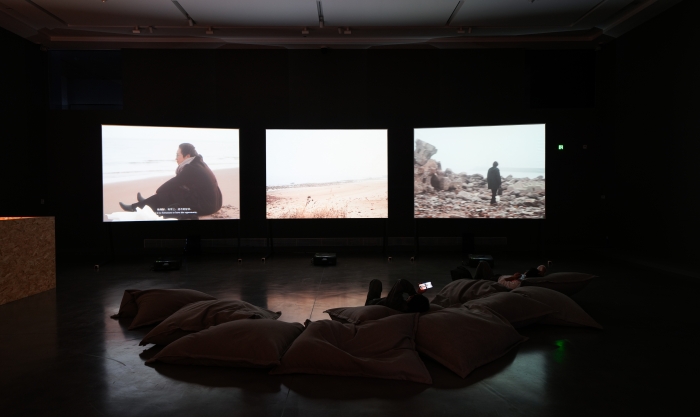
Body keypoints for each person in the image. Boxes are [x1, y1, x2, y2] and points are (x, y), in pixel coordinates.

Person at [119, 143, 223, 217]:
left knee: (169, 192)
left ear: (187, 156)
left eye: (178, 155)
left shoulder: (191, 169)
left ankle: (135, 207)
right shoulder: (198, 163)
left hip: (206, 207)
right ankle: (146, 202)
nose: (176, 158)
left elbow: (171, 184)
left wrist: (158, 193)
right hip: (214, 204)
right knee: (175, 191)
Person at [365, 279, 430, 313]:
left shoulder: (396, 303)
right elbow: (417, 303)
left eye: (412, 297)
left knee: (375, 282)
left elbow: (401, 282)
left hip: (371, 304)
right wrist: (418, 293)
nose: (411, 297)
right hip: (382, 302)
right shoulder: (409, 308)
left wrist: (413, 293)